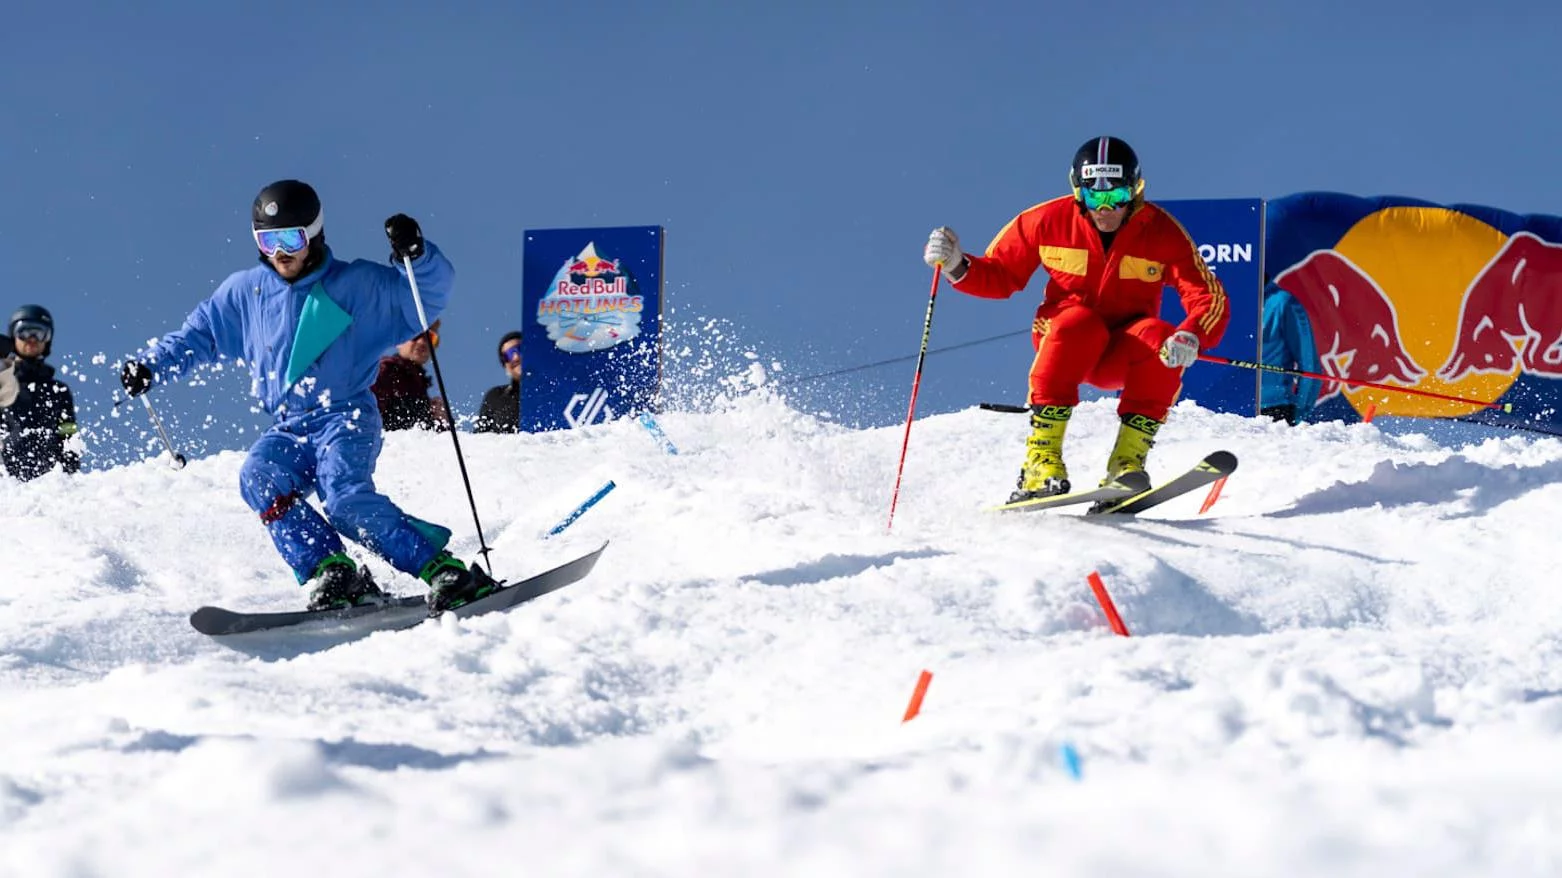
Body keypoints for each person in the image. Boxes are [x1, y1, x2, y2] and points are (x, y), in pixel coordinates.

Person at [118, 179, 497, 614]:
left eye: (290, 239)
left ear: (313, 235)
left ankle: (442, 569)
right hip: (289, 425)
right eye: (267, 240)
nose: (279, 252)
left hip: (345, 416)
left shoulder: (353, 285)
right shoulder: (246, 293)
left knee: (343, 498)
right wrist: (151, 366)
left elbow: (424, 295)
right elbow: (198, 335)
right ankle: (331, 570)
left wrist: (416, 256)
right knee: (258, 475)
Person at [923, 135, 1230, 503]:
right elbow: (1001, 274)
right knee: (1079, 322)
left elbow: (1206, 295)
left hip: (1123, 350)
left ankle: (1127, 463)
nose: (1105, 208)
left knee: (1162, 336)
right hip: (1065, 340)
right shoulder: (1046, 221)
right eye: (1093, 196)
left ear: (1136, 190)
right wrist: (957, 264)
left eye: (1116, 196)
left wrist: (1191, 334)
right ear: (1077, 191)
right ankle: (1042, 462)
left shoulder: (1162, 232)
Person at [0, 305, 81, 480]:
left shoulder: (59, 391)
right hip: (6, 482)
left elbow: (68, 432)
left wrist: (70, 471)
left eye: (40, 333)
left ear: (48, 340)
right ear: (13, 337)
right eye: (24, 332)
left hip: (48, 485)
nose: (32, 339)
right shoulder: (3, 382)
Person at [1259, 283, 1322, 425]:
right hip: (1226, 407)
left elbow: (1309, 365)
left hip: (1272, 409)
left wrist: (1298, 413)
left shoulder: (1282, 302)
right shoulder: (1224, 299)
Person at [371, 319, 449, 431]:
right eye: (415, 335)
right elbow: (367, 412)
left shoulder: (421, 387)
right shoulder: (386, 371)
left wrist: (441, 422)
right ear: (399, 341)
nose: (422, 342)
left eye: (430, 338)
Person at [474, 330, 522, 433]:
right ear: (505, 365)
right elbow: (479, 439)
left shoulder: (551, 390)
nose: (516, 357)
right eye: (508, 355)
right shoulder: (495, 396)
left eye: (519, 349)